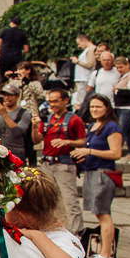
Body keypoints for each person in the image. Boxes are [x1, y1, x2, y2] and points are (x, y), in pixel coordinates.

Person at [68, 93, 122, 258]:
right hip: (91, 171)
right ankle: (104, 251)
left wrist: (89, 152)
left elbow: (116, 153)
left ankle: (106, 253)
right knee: (98, 213)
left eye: (98, 106)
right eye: (92, 107)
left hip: (103, 173)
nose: (94, 110)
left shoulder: (112, 127)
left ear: (107, 107)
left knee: (104, 214)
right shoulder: (93, 125)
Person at [41, 87, 87, 238]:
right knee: (48, 199)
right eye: (50, 102)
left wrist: (66, 142)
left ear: (65, 101)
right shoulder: (48, 119)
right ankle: (54, 228)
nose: (52, 105)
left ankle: (76, 232)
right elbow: (37, 139)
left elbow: (83, 141)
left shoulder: (74, 120)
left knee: (69, 199)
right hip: (47, 162)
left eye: (55, 101)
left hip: (64, 164)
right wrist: (36, 126)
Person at [0, 84, 34, 164]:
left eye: (10, 95)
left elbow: (17, 132)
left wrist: (4, 114)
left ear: (17, 96)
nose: (7, 98)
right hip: (0, 150)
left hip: (17, 151)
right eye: (5, 95)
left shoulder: (24, 113)